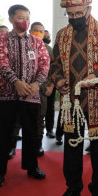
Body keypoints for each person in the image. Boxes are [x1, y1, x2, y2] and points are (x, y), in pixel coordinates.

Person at [50, 0, 98, 196]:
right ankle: (73, 189)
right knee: (71, 148)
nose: (75, 17)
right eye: (70, 14)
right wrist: (58, 80)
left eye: (79, 13)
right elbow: (54, 65)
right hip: (71, 101)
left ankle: (97, 191)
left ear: (89, 8)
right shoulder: (61, 35)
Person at [0, 4, 49, 189]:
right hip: (5, 95)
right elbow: (0, 61)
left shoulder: (37, 42)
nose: (24, 21)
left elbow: (45, 64)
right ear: (11, 19)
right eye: (20, 18)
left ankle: (32, 167)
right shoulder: (2, 39)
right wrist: (16, 82)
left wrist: (36, 83)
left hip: (30, 94)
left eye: (27, 18)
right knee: (1, 134)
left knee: (31, 133)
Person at [29, 21, 54, 156]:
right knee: (19, 119)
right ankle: (12, 146)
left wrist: (51, 86)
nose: (37, 32)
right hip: (25, 88)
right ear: (30, 31)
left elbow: (55, 70)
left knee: (40, 118)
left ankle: (38, 145)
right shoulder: (24, 46)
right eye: (35, 30)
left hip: (43, 88)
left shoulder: (49, 49)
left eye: (40, 30)